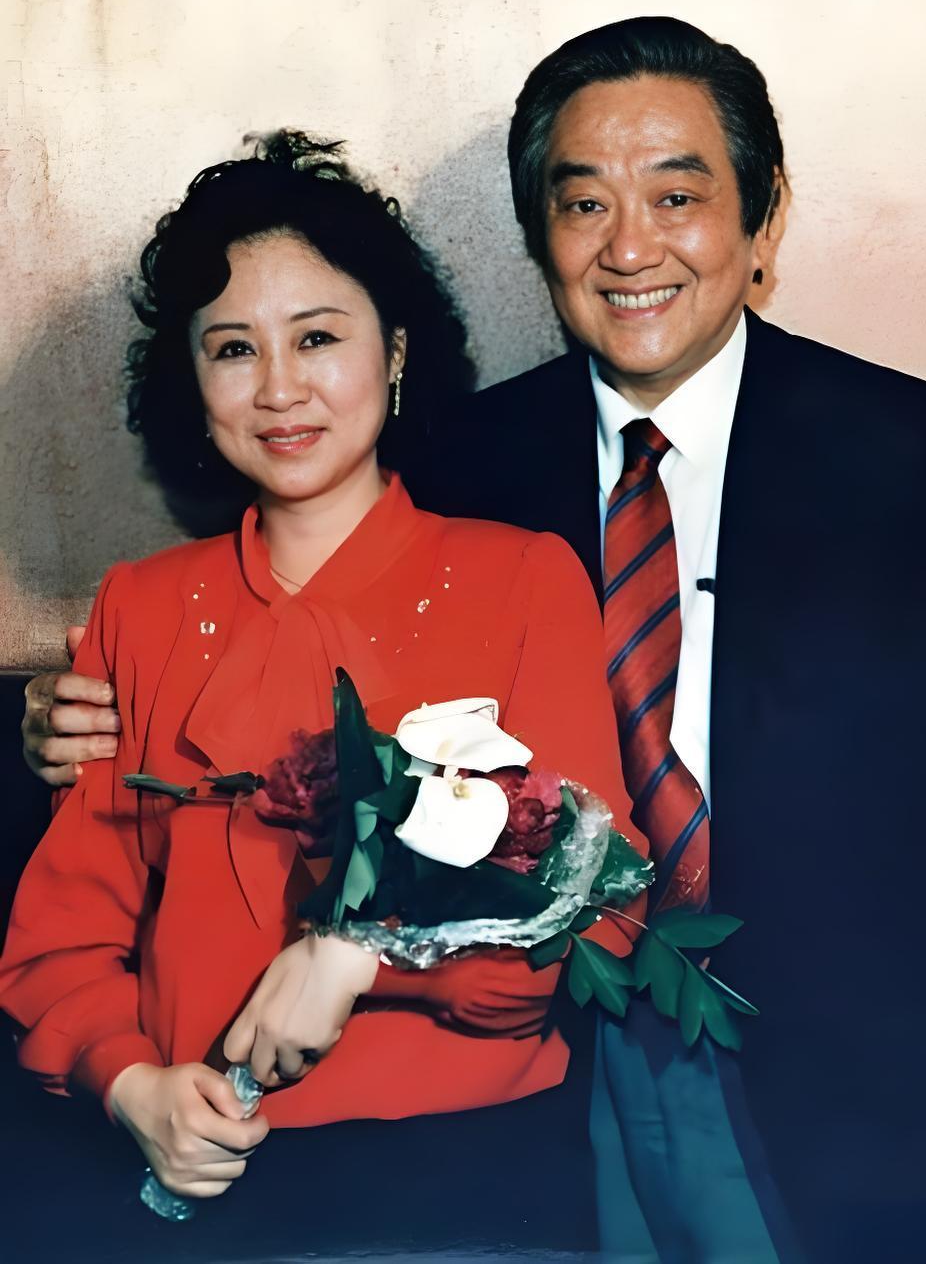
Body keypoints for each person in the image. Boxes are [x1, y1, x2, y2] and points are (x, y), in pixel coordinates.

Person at [21, 19, 926, 1264]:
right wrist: (72, 715)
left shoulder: (919, 454)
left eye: (676, 196)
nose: (630, 247)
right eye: (583, 202)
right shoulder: (463, 458)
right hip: (565, 1076)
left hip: (861, 1070)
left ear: (763, 221)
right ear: (537, 237)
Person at [1, 131, 643, 1261]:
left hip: (468, 1180)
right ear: (193, 383)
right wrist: (129, 1083)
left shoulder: (522, 578)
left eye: (317, 337)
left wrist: (365, 951)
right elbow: (63, 937)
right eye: (233, 349)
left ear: (394, 353)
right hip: (197, 1174)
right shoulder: (142, 606)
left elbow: (601, 904)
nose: (279, 388)